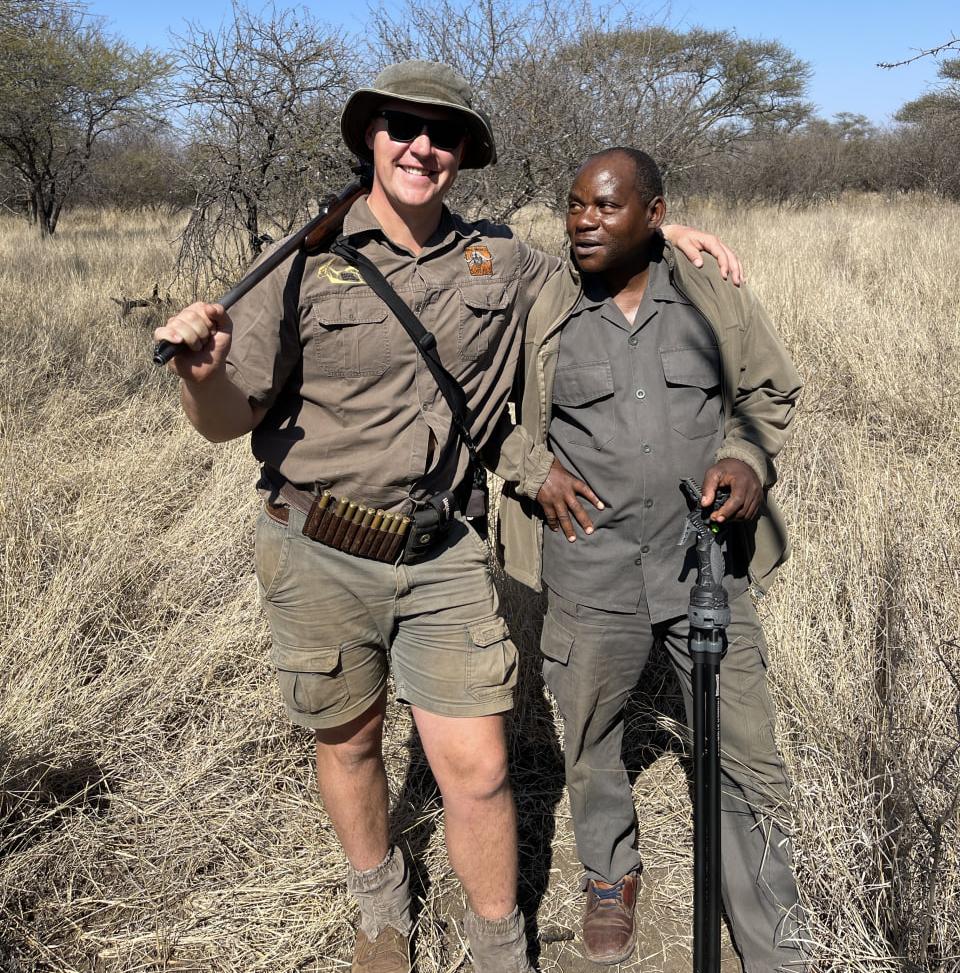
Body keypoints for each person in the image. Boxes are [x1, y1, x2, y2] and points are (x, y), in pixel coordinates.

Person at [154, 64, 740, 973]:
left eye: (444, 134)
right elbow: (229, 422)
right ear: (370, 137)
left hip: (442, 551)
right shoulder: (300, 259)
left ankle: (499, 941)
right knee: (347, 741)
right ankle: (380, 904)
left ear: (464, 156)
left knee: (480, 768)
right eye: (400, 126)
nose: (420, 146)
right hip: (315, 547)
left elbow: (601, 263)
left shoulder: (499, 259)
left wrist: (669, 236)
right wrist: (201, 376)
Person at [491, 148, 810, 971]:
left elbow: (769, 389)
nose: (583, 222)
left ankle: (768, 929)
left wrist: (745, 457)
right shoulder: (541, 300)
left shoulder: (711, 292)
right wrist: (534, 469)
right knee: (591, 735)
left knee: (743, 750)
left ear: (655, 214)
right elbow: (478, 403)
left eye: (604, 207)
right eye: (572, 208)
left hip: (704, 563)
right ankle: (610, 874)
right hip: (589, 568)